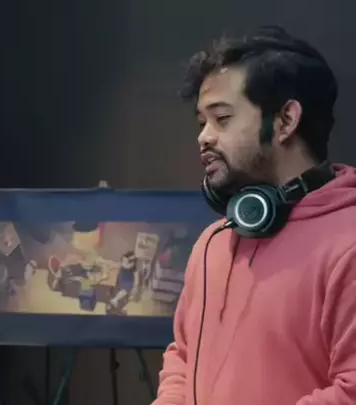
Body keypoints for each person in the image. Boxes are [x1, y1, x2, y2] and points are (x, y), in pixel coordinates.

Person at [153, 26, 356, 405]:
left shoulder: (348, 245)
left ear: (285, 121)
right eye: (202, 122)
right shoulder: (213, 243)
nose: (204, 137)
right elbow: (182, 358)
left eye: (222, 119)